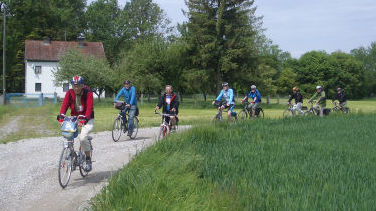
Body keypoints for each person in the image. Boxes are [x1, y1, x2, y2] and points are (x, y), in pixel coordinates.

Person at [58, 76, 94, 172]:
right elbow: (64, 105)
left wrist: (85, 118)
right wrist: (61, 115)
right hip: (74, 118)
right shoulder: (69, 93)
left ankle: (88, 159)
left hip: (87, 118)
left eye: (78, 86)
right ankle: (71, 154)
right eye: (74, 86)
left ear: (82, 85)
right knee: (67, 135)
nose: (76, 88)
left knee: (82, 138)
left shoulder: (88, 93)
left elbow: (89, 108)